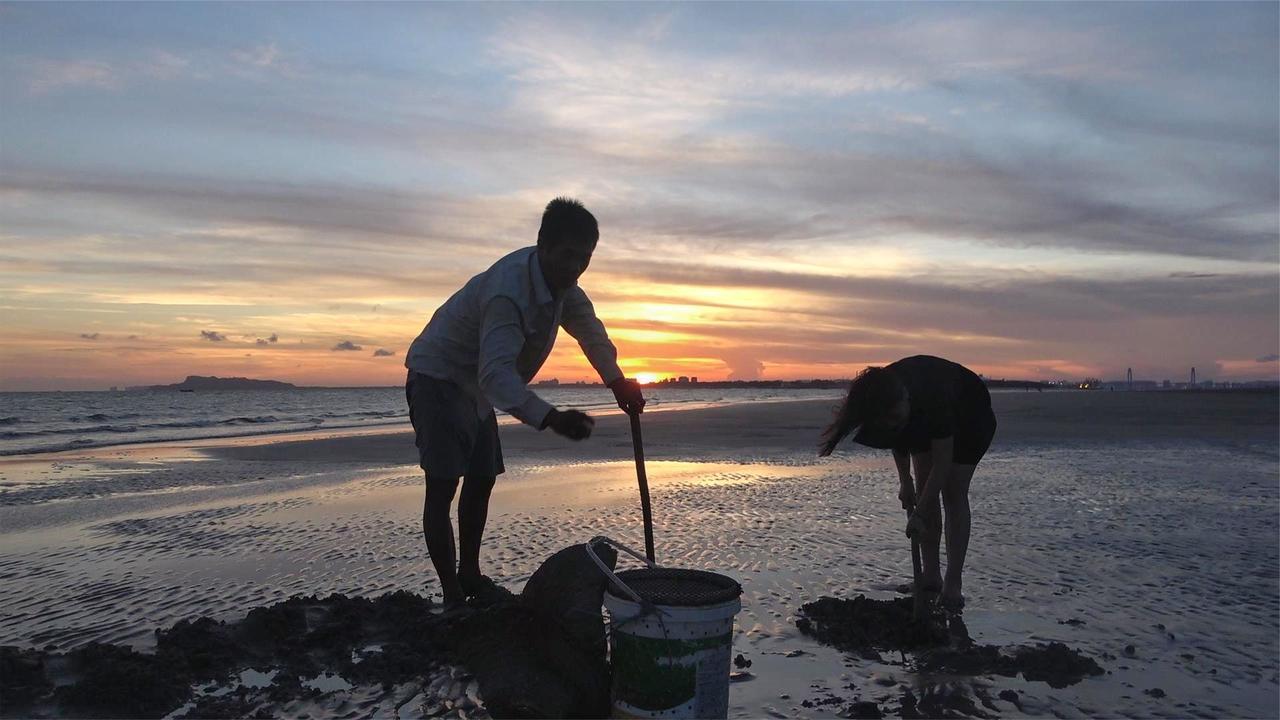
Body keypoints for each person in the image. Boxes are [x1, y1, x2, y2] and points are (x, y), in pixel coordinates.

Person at [404, 197, 646, 608]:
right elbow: (496, 374)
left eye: (584, 258)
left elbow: (591, 333)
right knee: (443, 486)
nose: (574, 267)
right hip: (439, 378)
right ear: (543, 245)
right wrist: (550, 418)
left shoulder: (566, 289)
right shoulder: (509, 291)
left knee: (482, 479)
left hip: (476, 389)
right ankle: (452, 596)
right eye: (567, 255)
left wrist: (617, 382)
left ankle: (471, 576)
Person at [818, 355, 997, 610]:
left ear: (904, 398)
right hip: (923, 418)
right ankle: (930, 577)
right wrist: (906, 482)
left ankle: (953, 583)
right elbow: (897, 438)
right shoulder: (881, 393)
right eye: (887, 420)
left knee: (953, 493)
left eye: (895, 416)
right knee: (925, 488)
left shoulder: (935, 395)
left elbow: (943, 462)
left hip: (970, 416)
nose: (893, 423)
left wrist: (920, 513)